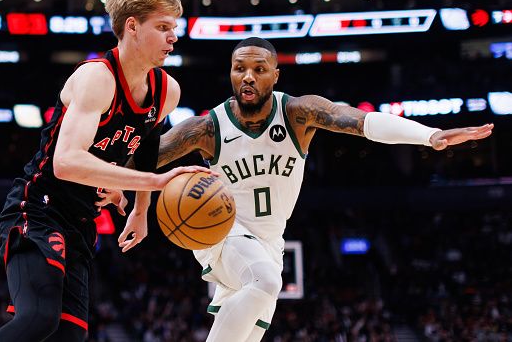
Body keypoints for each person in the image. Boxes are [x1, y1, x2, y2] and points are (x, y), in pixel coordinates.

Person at [0, 0, 210, 342]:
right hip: (38, 208)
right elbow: (66, 162)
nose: (173, 37)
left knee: (67, 337)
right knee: (39, 319)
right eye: (163, 27)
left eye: (175, 29)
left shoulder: (167, 91)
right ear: (132, 27)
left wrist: (138, 207)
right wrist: (152, 183)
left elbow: (146, 149)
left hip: (82, 220)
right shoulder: (96, 79)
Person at [154, 37, 494, 342]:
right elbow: (142, 159)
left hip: (270, 242)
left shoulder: (298, 113)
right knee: (266, 282)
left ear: (275, 75)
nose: (247, 76)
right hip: (222, 231)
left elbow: (360, 122)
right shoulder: (207, 127)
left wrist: (428, 135)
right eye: (239, 68)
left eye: (259, 69)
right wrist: (117, 187)